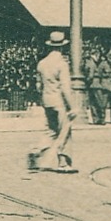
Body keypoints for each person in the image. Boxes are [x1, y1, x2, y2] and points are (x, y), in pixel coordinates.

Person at [28, 31, 76, 173]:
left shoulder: (42, 63)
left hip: (47, 100)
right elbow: (65, 88)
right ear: (62, 47)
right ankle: (63, 163)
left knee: (50, 130)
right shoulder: (62, 64)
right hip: (59, 101)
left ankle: (36, 150)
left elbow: (38, 86)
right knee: (65, 131)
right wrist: (73, 107)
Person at [86, 45, 111, 126]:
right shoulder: (102, 64)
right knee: (102, 103)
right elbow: (99, 74)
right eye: (110, 56)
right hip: (105, 85)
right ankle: (101, 119)